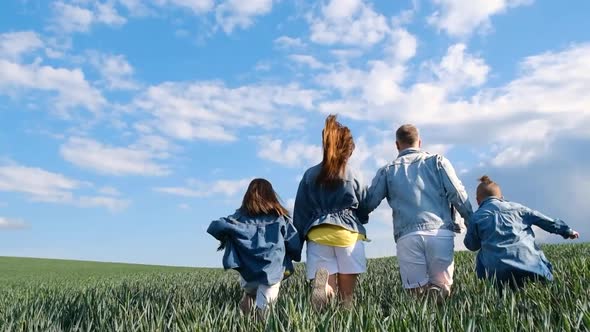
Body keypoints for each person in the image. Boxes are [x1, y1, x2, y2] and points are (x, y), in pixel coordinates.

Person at [364, 124, 473, 298]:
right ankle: (441, 321)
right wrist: (469, 218)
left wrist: (358, 216)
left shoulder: (387, 170)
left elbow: (369, 201)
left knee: (416, 295)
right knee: (442, 289)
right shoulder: (438, 162)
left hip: (407, 236)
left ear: (397, 145)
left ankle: (424, 323)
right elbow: (457, 193)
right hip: (440, 232)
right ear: (419, 142)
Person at [293, 114, 369, 309]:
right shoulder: (354, 174)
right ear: (348, 149)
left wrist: (297, 242)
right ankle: (345, 319)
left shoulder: (310, 174)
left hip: (318, 236)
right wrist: (361, 219)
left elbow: (300, 212)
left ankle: (324, 289)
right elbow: (364, 205)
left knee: (325, 288)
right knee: (348, 297)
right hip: (348, 237)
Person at [464, 175, 580, 289]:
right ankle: (550, 289)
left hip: (498, 274)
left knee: (481, 256)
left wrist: (471, 229)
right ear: (502, 197)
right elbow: (545, 221)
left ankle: (492, 291)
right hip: (532, 267)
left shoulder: (476, 218)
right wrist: (567, 231)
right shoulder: (518, 208)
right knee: (537, 258)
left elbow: (472, 246)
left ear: (478, 201)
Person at [207, 178, 301, 317]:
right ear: (271, 196)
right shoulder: (279, 219)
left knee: (251, 292)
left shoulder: (238, 218)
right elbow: (294, 244)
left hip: (248, 273)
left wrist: (229, 233)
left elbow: (215, 226)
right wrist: (294, 256)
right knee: (265, 311)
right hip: (271, 273)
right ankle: (257, 319)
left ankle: (246, 307)